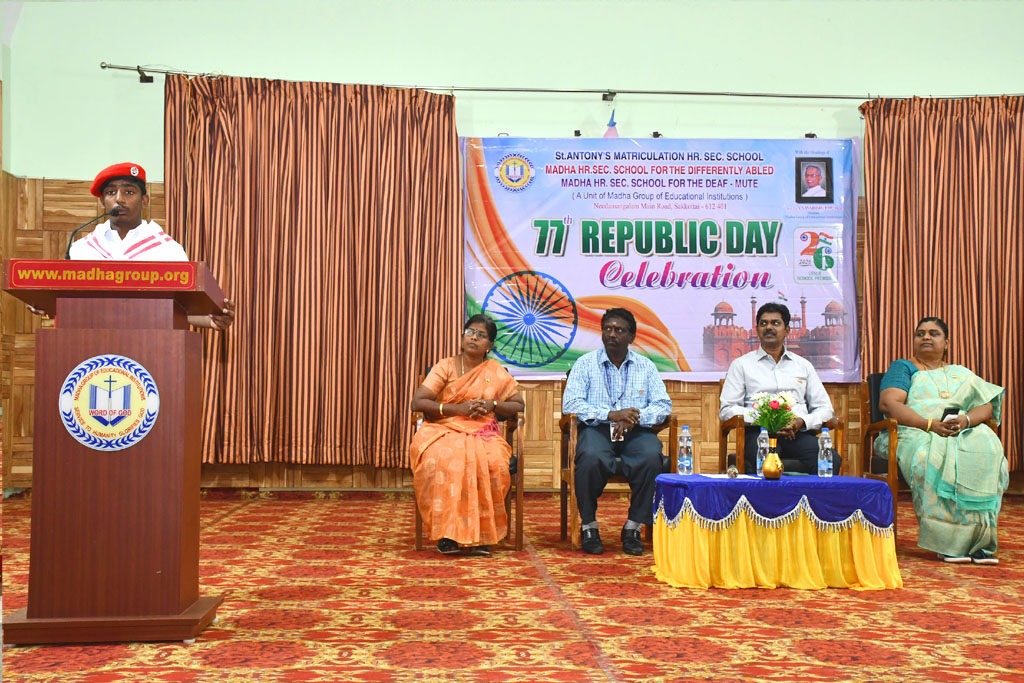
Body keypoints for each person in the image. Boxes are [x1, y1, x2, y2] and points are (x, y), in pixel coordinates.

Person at [877, 317, 1007, 565]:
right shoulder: (903, 368)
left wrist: (966, 420)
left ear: (946, 342)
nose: (926, 337)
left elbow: (986, 405)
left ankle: (980, 542)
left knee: (990, 455)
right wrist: (929, 425)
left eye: (933, 333)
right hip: (913, 431)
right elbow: (889, 403)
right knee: (930, 458)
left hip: (959, 430)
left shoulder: (960, 373)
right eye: (920, 333)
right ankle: (947, 543)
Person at [65, 162, 234, 330]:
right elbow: (68, 304)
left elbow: (181, 307)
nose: (119, 199)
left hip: (150, 344)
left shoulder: (167, 250)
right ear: (102, 201)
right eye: (111, 192)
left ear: (144, 200)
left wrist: (211, 320)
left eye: (129, 192)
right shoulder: (83, 249)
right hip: (92, 342)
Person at [410, 314, 525, 557]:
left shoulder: (495, 371)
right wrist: (456, 409)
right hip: (444, 429)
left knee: (494, 462)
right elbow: (418, 402)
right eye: (470, 332)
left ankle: (482, 536)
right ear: (462, 336)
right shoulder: (446, 366)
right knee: (444, 459)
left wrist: (493, 404)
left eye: (481, 335)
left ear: (489, 345)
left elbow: (518, 404)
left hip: (483, 432)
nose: (474, 337)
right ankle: (448, 535)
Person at [562, 307, 672, 556]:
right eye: (608, 329)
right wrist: (610, 414)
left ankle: (633, 526)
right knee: (590, 457)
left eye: (619, 330)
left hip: (635, 430)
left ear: (631, 336)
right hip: (598, 429)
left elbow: (663, 405)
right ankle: (589, 526)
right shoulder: (585, 364)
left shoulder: (645, 366)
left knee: (651, 456)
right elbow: (571, 405)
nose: (612, 334)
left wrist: (635, 417)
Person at [719, 302, 836, 474]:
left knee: (831, 460)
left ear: (787, 329)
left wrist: (801, 422)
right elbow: (727, 410)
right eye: (763, 323)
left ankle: (808, 494)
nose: (769, 327)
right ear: (757, 329)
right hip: (759, 433)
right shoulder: (741, 365)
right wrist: (766, 419)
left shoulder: (803, 366)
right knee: (766, 461)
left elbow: (825, 409)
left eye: (775, 323)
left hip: (796, 433)